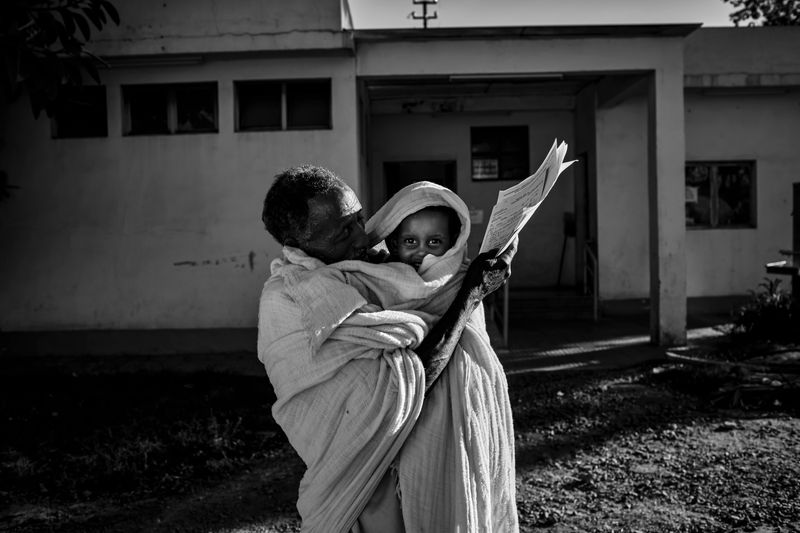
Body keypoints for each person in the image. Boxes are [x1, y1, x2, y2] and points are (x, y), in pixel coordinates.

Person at [258, 166, 518, 532]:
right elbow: (404, 388)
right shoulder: (295, 301)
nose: (363, 238)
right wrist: (471, 294)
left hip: (436, 463)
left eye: (359, 219)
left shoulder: (374, 268)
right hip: (365, 491)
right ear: (298, 246)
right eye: (342, 233)